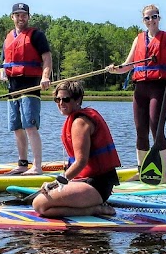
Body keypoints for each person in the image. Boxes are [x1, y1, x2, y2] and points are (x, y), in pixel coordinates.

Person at [108, 4, 166, 180]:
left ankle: (162, 173)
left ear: (159, 18)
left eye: (154, 17)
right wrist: (114, 69)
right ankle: (142, 170)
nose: (151, 20)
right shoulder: (138, 39)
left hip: (159, 87)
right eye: (147, 18)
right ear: (143, 20)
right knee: (140, 130)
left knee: (156, 128)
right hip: (140, 88)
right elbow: (128, 65)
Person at [34, 80, 121, 219]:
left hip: (96, 186)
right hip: (86, 183)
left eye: (66, 99)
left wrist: (57, 182)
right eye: (57, 99)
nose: (61, 103)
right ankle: (90, 205)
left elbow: (81, 162)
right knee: (41, 202)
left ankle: (95, 209)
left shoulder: (80, 122)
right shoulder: (75, 119)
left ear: (78, 100)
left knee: (39, 204)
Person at [0, 3, 53, 174]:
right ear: (12, 17)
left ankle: (37, 167)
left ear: (28, 17)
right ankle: (23, 164)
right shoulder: (8, 39)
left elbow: (47, 58)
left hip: (30, 85)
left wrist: (45, 76)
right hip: (13, 87)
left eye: (24, 15)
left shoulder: (37, 36)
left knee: (30, 126)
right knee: (17, 128)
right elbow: (3, 66)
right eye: (17, 15)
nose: (20, 18)